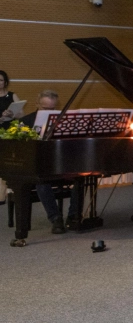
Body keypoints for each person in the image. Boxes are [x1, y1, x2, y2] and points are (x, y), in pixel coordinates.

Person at [20, 91, 82, 233]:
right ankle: (55, 218)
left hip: (60, 165)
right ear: (37, 104)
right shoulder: (26, 121)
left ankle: (73, 216)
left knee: (81, 178)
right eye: (45, 108)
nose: (49, 112)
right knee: (42, 182)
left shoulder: (63, 121)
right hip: (38, 167)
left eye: (52, 109)